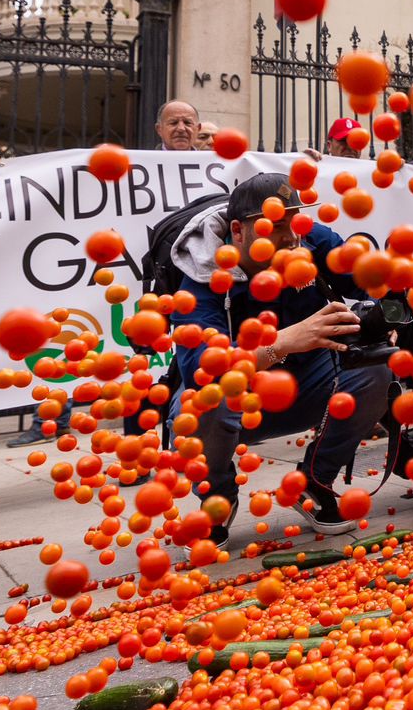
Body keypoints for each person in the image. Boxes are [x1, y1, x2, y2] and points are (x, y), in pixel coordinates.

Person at [163, 173, 388, 540]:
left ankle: (314, 482)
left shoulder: (311, 240)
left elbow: (371, 280)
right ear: (238, 231)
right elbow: (201, 371)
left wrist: (382, 309)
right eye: (275, 225)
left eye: (295, 220)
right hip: (240, 402)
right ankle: (218, 499)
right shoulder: (203, 276)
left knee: (374, 372)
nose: (290, 236)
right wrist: (281, 343)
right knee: (198, 405)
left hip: (308, 383)